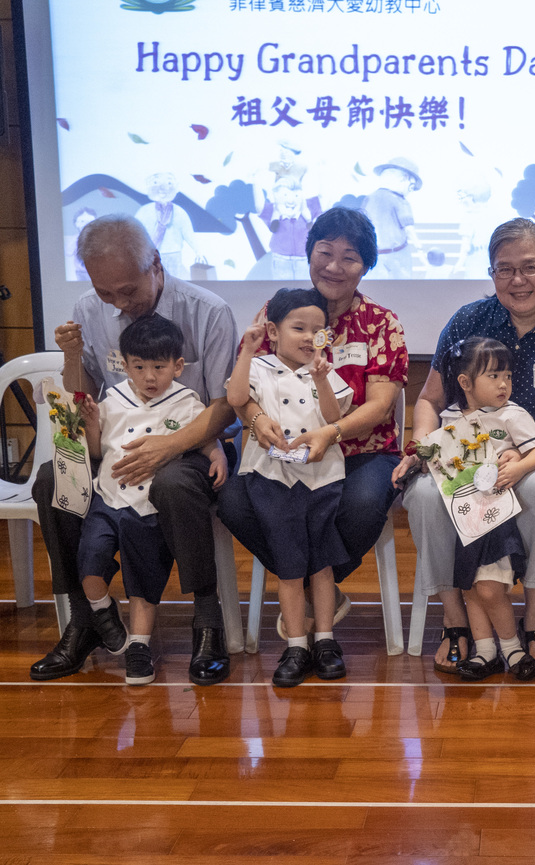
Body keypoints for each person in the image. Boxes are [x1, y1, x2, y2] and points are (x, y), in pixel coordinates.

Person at [30, 214, 239, 686]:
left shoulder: (208, 310)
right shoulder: (89, 308)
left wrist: (168, 447)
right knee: (51, 480)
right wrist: (70, 358)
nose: (119, 303)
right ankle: (85, 621)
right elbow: (83, 398)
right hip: (117, 438)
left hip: (194, 441)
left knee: (172, 482)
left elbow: (226, 406)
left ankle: (208, 621)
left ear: (156, 266)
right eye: (107, 294)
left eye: (128, 291)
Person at [394, 217, 535, 677]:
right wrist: (426, 450)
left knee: (533, 492)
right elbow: (430, 398)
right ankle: (454, 619)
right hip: (463, 454)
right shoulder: (468, 320)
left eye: (530, 267)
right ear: (492, 274)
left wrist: (526, 461)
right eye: (504, 269)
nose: (517, 280)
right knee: (427, 496)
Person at [218, 207, 408, 636]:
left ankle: (301, 586)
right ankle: (312, 587)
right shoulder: (279, 310)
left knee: (359, 509)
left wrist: (330, 432)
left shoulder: (380, 324)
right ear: (308, 254)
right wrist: (256, 419)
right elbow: (246, 386)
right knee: (233, 503)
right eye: (324, 252)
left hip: (362, 451)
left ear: (367, 266)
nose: (334, 267)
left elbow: (379, 406)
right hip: (279, 452)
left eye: (350, 257)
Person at [74, 315, 228, 685]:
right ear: (124, 365)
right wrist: (92, 423)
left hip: (146, 508)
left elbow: (203, 436)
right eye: (139, 367)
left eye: (159, 367)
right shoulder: (114, 399)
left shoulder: (186, 401)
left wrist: (217, 453)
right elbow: (96, 449)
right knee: (90, 563)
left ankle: (139, 645)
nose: (149, 377)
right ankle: (102, 612)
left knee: (142, 578)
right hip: (108, 499)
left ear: (177, 367)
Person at [226, 288, 354, 687]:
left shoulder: (325, 370)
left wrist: (322, 379)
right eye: (298, 327)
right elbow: (235, 398)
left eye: (317, 331)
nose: (307, 337)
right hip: (273, 480)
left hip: (321, 479)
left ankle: (326, 640)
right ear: (273, 331)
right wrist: (247, 350)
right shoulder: (259, 367)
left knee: (321, 563)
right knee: (289, 567)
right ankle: (296, 644)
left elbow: (334, 418)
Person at [413, 336, 535, 681]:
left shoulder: (512, 414)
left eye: (507, 375)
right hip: (463, 518)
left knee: (490, 587)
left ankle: (512, 649)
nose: (503, 383)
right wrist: (418, 457)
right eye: (493, 376)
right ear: (465, 383)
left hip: (496, 517)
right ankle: (486, 652)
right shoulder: (447, 416)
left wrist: (520, 462)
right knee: (471, 585)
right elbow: (437, 460)